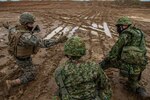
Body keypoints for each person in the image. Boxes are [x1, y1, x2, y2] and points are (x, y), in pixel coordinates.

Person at [3, 12, 67, 91]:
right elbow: (43, 43)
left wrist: (7, 26)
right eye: (30, 24)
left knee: (28, 65)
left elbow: (10, 28)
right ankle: (11, 82)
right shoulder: (26, 37)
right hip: (23, 59)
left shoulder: (15, 29)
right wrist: (58, 40)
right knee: (32, 75)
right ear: (25, 23)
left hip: (16, 55)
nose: (32, 25)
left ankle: (24, 67)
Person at [100, 16, 149, 99]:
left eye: (118, 26)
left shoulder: (125, 35)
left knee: (107, 62)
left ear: (123, 26)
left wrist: (109, 58)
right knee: (133, 84)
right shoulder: (140, 33)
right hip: (139, 66)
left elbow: (114, 52)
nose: (118, 29)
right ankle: (142, 93)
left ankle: (95, 71)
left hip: (126, 65)